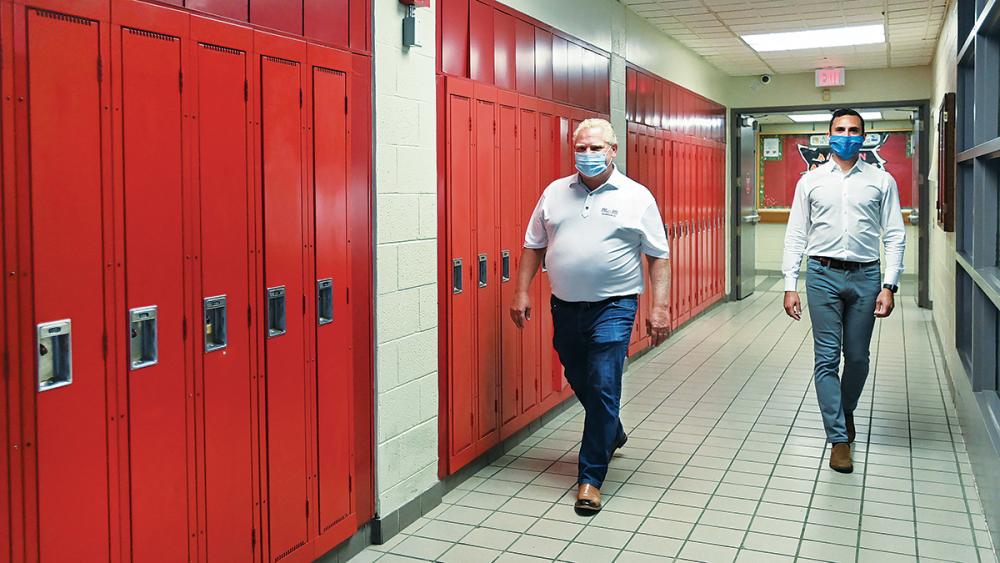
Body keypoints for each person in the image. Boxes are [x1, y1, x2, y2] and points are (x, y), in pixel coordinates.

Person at [510, 118, 671, 513]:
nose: (587, 155)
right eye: (580, 148)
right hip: (565, 305)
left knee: (602, 384)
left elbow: (658, 256)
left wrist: (659, 306)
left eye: (596, 148)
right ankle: (611, 430)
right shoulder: (554, 192)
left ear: (613, 150)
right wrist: (520, 291)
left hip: (615, 305)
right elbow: (533, 245)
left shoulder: (637, 197)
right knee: (578, 375)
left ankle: (590, 478)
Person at [782, 108, 906, 473]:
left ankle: (844, 408)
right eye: (840, 129)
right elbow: (796, 234)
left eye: (854, 130)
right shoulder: (811, 181)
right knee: (825, 360)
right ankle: (838, 438)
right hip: (821, 273)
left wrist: (890, 285)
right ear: (829, 134)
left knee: (857, 358)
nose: (847, 135)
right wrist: (790, 284)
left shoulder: (881, 181)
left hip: (867, 276)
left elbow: (895, 235)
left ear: (864, 136)